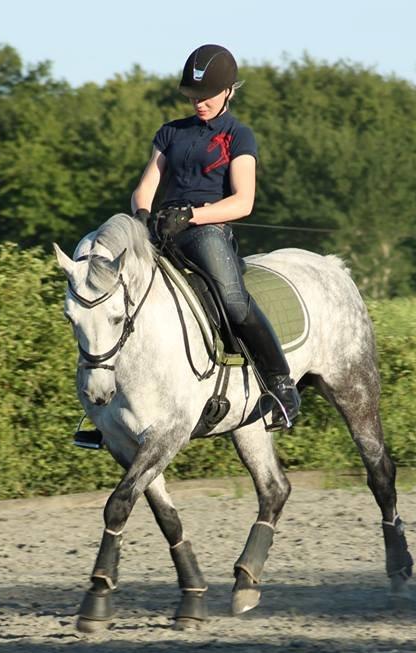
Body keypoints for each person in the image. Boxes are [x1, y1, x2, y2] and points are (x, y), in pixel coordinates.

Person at [131, 43, 301, 431]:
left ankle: (281, 384)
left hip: (207, 230)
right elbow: (145, 188)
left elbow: (243, 202)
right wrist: (142, 216)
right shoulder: (170, 133)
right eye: (192, 96)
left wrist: (193, 215)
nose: (198, 103)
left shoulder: (239, 136)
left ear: (228, 91)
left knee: (233, 301)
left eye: (205, 96)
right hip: (162, 228)